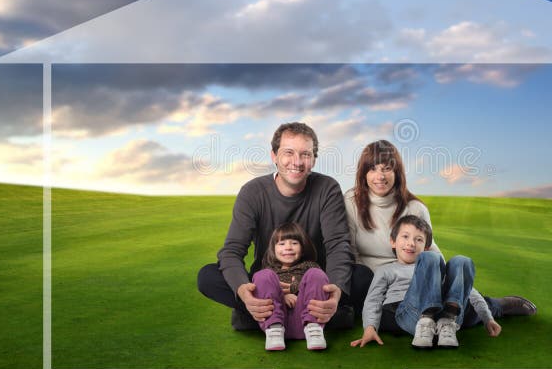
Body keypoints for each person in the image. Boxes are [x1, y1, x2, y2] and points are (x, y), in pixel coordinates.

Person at [344, 139, 536, 334]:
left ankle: (494, 306)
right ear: (363, 173)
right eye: (372, 169)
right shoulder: (352, 202)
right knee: (359, 279)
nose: (380, 176)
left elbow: (433, 255)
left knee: (452, 313)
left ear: (397, 173)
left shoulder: (415, 208)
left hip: (414, 280)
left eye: (386, 169)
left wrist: (452, 287)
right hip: (374, 280)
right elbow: (348, 250)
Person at [197, 122, 354, 330]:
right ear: (274, 156)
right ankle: (292, 316)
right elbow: (232, 251)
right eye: (288, 152)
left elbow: (337, 245)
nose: (297, 162)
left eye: (305, 154)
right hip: (267, 283)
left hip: (314, 284)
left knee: (361, 277)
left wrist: (334, 291)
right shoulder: (253, 192)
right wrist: (244, 291)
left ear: (314, 159)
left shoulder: (327, 187)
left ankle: (269, 319)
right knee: (207, 276)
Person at [352, 215, 499, 348]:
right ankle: (425, 320)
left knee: (461, 261)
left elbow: (468, 292)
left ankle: (448, 322)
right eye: (405, 236)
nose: (411, 243)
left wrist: (487, 318)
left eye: (419, 239)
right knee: (431, 258)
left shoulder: (436, 267)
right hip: (408, 314)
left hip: (443, 315)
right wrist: (370, 327)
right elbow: (373, 299)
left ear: (426, 246)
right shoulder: (386, 270)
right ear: (393, 241)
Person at [253, 222, 328, 351]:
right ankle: (274, 328)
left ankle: (314, 328)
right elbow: (267, 291)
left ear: (303, 248)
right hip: (276, 319)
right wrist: (284, 295)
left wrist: (295, 288)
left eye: (294, 243)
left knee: (317, 275)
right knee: (261, 276)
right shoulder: (271, 271)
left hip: (304, 319)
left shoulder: (309, 266)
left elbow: (315, 287)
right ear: (273, 249)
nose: (288, 247)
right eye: (281, 244)